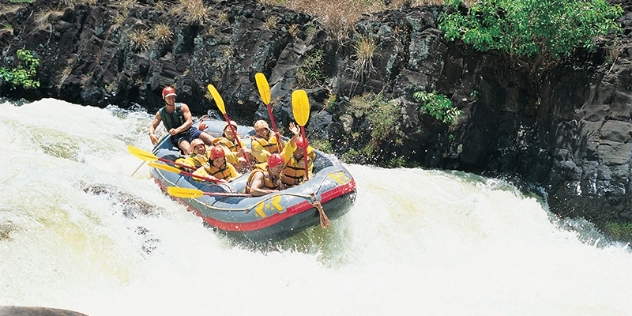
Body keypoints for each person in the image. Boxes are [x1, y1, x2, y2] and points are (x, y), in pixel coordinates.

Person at [148, 86, 215, 155]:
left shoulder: (183, 107)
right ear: (164, 98)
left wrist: (177, 130)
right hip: (178, 137)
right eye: (169, 97)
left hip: (190, 131)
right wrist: (151, 134)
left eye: (173, 97)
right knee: (188, 151)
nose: (171, 99)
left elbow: (189, 122)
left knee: (213, 141)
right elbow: (153, 126)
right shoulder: (160, 113)